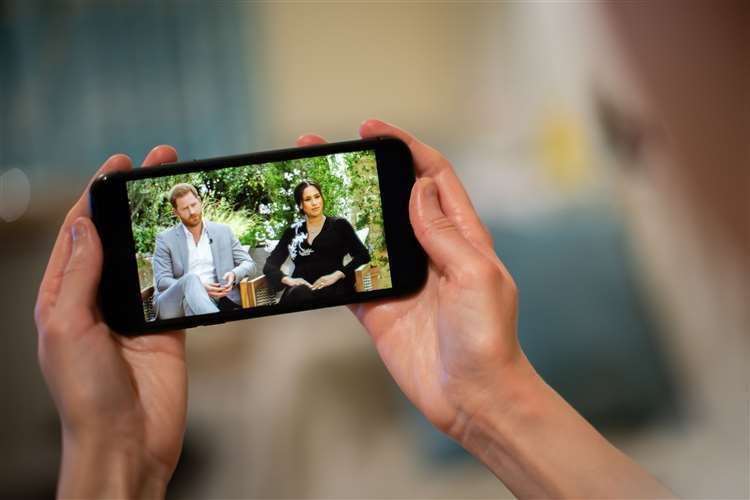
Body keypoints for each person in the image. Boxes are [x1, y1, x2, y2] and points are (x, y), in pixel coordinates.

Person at [34, 120, 675, 498]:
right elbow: (277, 270)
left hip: (329, 291)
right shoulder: (281, 237)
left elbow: (359, 261)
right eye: (305, 197)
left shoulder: (340, 225)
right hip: (259, 298)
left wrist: (491, 394)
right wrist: (113, 445)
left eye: (314, 195)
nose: (310, 203)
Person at [151, 183, 257, 319]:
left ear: (200, 202)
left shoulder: (223, 231)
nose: (192, 212)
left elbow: (249, 264)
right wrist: (197, 287)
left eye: (193, 205)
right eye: (185, 208)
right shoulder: (165, 239)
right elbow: (162, 281)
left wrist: (234, 274)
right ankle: (222, 328)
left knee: (190, 304)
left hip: (218, 299)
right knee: (191, 279)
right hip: (171, 305)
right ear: (175, 212)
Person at [262, 180, 371, 305]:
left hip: (333, 287)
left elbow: (363, 255)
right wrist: (288, 280)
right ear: (301, 205)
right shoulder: (292, 232)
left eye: (317, 197)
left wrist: (338, 274)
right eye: (308, 199)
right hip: (299, 292)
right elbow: (270, 265)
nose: (314, 203)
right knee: (299, 294)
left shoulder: (339, 225)